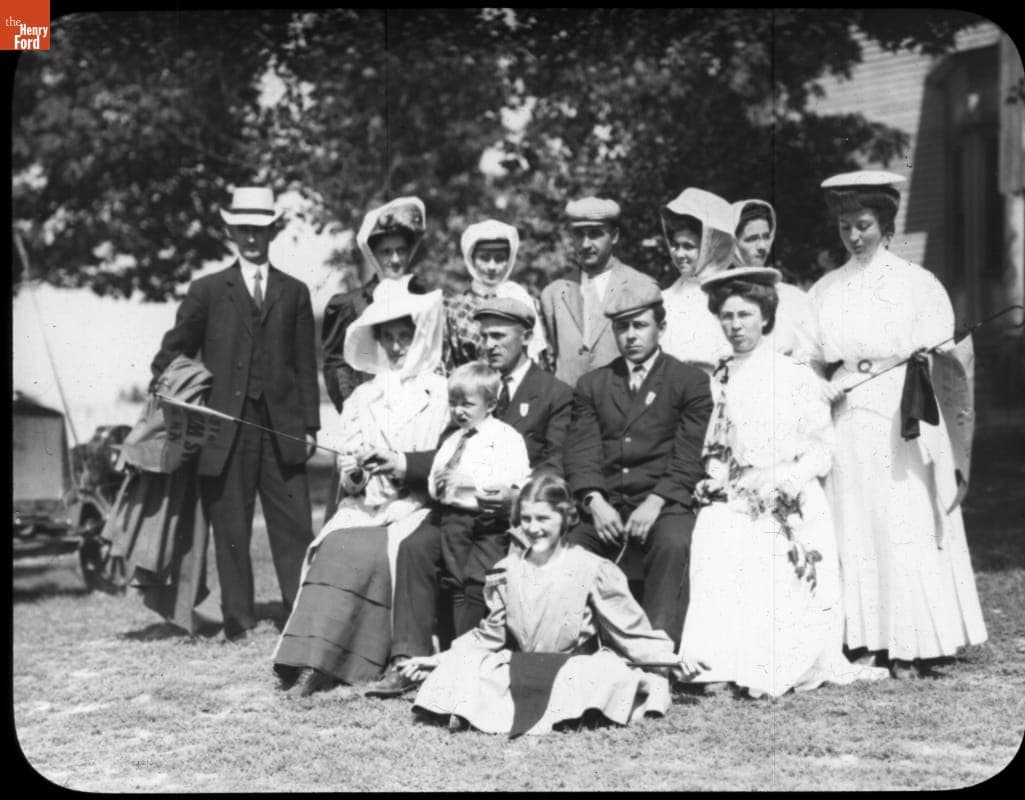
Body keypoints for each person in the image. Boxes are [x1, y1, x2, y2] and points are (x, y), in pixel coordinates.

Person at [679, 267, 890, 698]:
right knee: (713, 530)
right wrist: (715, 481)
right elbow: (719, 447)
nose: (736, 326)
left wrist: (784, 483)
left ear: (765, 317)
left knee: (767, 543)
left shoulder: (792, 375)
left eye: (745, 315)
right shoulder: (719, 377)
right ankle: (719, 663)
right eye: (727, 316)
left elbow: (819, 449)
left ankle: (768, 666)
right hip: (741, 491)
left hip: (788, 489)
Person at [809, 170, 987, 678]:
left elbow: (945, 352)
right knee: (856, 521)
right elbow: (809, 356)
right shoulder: (825, 289)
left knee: (903, 518)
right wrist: (823, 383)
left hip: (905, 411)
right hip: (848, 415)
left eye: (863, 224)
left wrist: (927, 356)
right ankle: (866, 640)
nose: (854, 236)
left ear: (885, 225)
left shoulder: (918, 284)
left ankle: (919, 642)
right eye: (845, 226)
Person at [365, 298, 574, 698]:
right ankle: (406, 662)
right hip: (454, 512)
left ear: (527, 337)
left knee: (472, 575)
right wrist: (399, 461)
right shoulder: (467, 387)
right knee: (415, 547)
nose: (489, 344)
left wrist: (518, 497)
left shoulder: (553, 393)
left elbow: (554, 461)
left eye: (499, 336)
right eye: (484, 336)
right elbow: (447, 451)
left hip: (509, 516)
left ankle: (466, 667)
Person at [402, 474, 706, 736]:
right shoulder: (506, 569)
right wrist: (438, 660)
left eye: (543, 518)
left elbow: (631, 632)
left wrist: (674, 660)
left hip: (571, 668)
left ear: (567, 518)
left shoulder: (593, 569)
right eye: (526, 519)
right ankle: (531, 708)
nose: (534, 528)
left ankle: (531, 708)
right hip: (521, 668)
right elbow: (489, 636)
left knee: (606, 676)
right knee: (462, 668)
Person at [150, 187, 319, 642]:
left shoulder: (295, 292)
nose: (251, 237)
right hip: (223, 434)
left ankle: (300, 614)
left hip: (282, 430)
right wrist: (174, 396)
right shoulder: (207, 291)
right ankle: (239, 620)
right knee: (230, 529)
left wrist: (310, 426)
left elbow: (306, 365)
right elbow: (171, 352)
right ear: (231, 232)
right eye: (244, 228)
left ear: (272, 232)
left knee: (295, 526)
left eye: (260, 229)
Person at [271, 279, 449, 695]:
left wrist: (400, 465)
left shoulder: (439, 393)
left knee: (373, 551)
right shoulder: (363, 398)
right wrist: (355, 470)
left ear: (419, 337)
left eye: (406, 336)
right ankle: (308, 658)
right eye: (389, 338)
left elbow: (445, 459)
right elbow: (347, 470)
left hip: (415, 504)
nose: (398, 347)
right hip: (367, 505)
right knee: (334, 544)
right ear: (378, 343)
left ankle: (343, 662)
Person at [563, 282, 713, 649]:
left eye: (640, 326)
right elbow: (581, 451)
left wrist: (656, 501)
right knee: (569, 552)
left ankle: (656, 653)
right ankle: (576, 648)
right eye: (622, 327)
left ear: (661, 328)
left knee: (674, 544)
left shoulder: (688, 381)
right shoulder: (593, 384)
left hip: (663, 502)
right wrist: (594, 501)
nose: (630, 336)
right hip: (607, 506)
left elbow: (688, 456)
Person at [321, 196, 429, 414]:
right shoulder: (350, 305)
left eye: (401, 250)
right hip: (368, 417)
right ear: (372, 254)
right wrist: (357, 414)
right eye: (386, 252)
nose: (395, 260)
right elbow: (337, 368)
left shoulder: (423, 300)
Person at [540, 197, 660, 387]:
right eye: (579, 234)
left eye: (595, 234)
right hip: (568, 409)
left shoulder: (642, 286)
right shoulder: (553, 294)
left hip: (622, 406)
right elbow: (551, 357)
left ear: (614, 236)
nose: (585, 244)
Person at [443, 219, 549, 370]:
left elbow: (542, 361)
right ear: (471, 259)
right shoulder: (453, 309)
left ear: (509, 260)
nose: (492, 266)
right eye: (484, 258)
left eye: (500, 259)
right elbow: (449, 366)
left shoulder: (525, 302)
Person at [730, 198, 818, 364]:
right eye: (751, 239)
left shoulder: (793, 297)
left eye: (766, 236)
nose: (762, 246)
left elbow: (809, 355)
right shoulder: (717, 296)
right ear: (732, 243)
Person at [658, 187, 736, 374]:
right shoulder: (665, 297)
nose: (679, 254)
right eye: (676, 246)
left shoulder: (730, 295)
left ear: (709, 248)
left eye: (688, 246)